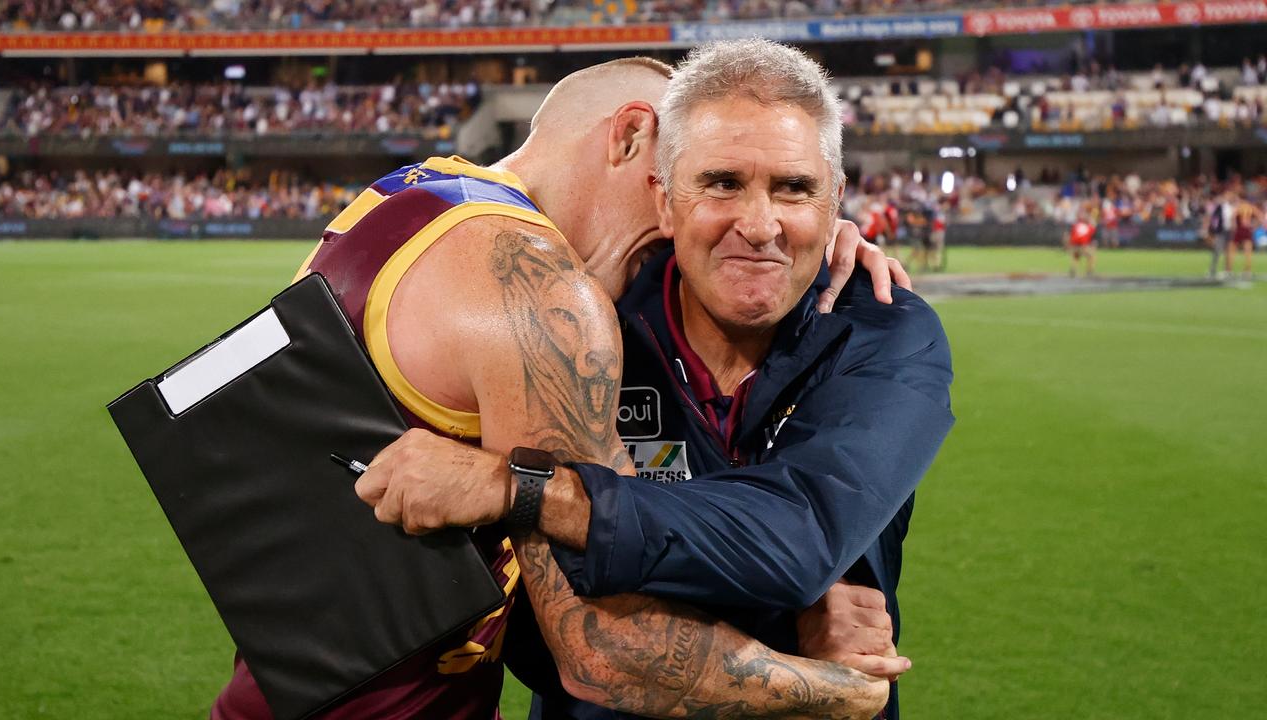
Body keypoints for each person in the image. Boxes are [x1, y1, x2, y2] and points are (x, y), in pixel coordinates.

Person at [212, 56, 906, 720]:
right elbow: (608, 652)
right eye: (678, 183)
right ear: (631, 135)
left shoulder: (405, 198)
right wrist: (844, 691)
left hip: (280, 688)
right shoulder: (545, 298)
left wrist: (800, 247)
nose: (678, 222)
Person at [1066, 207, 1096, 278]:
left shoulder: (1076, 225)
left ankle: (1073, 269)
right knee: (1091, 256)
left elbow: (1071, 235)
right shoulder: (1088, 226)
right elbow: (1091, 234)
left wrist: (1068, 245)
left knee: (1076, 257)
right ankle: (1089, 271)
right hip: (1083, 246)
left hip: (1074, 245)